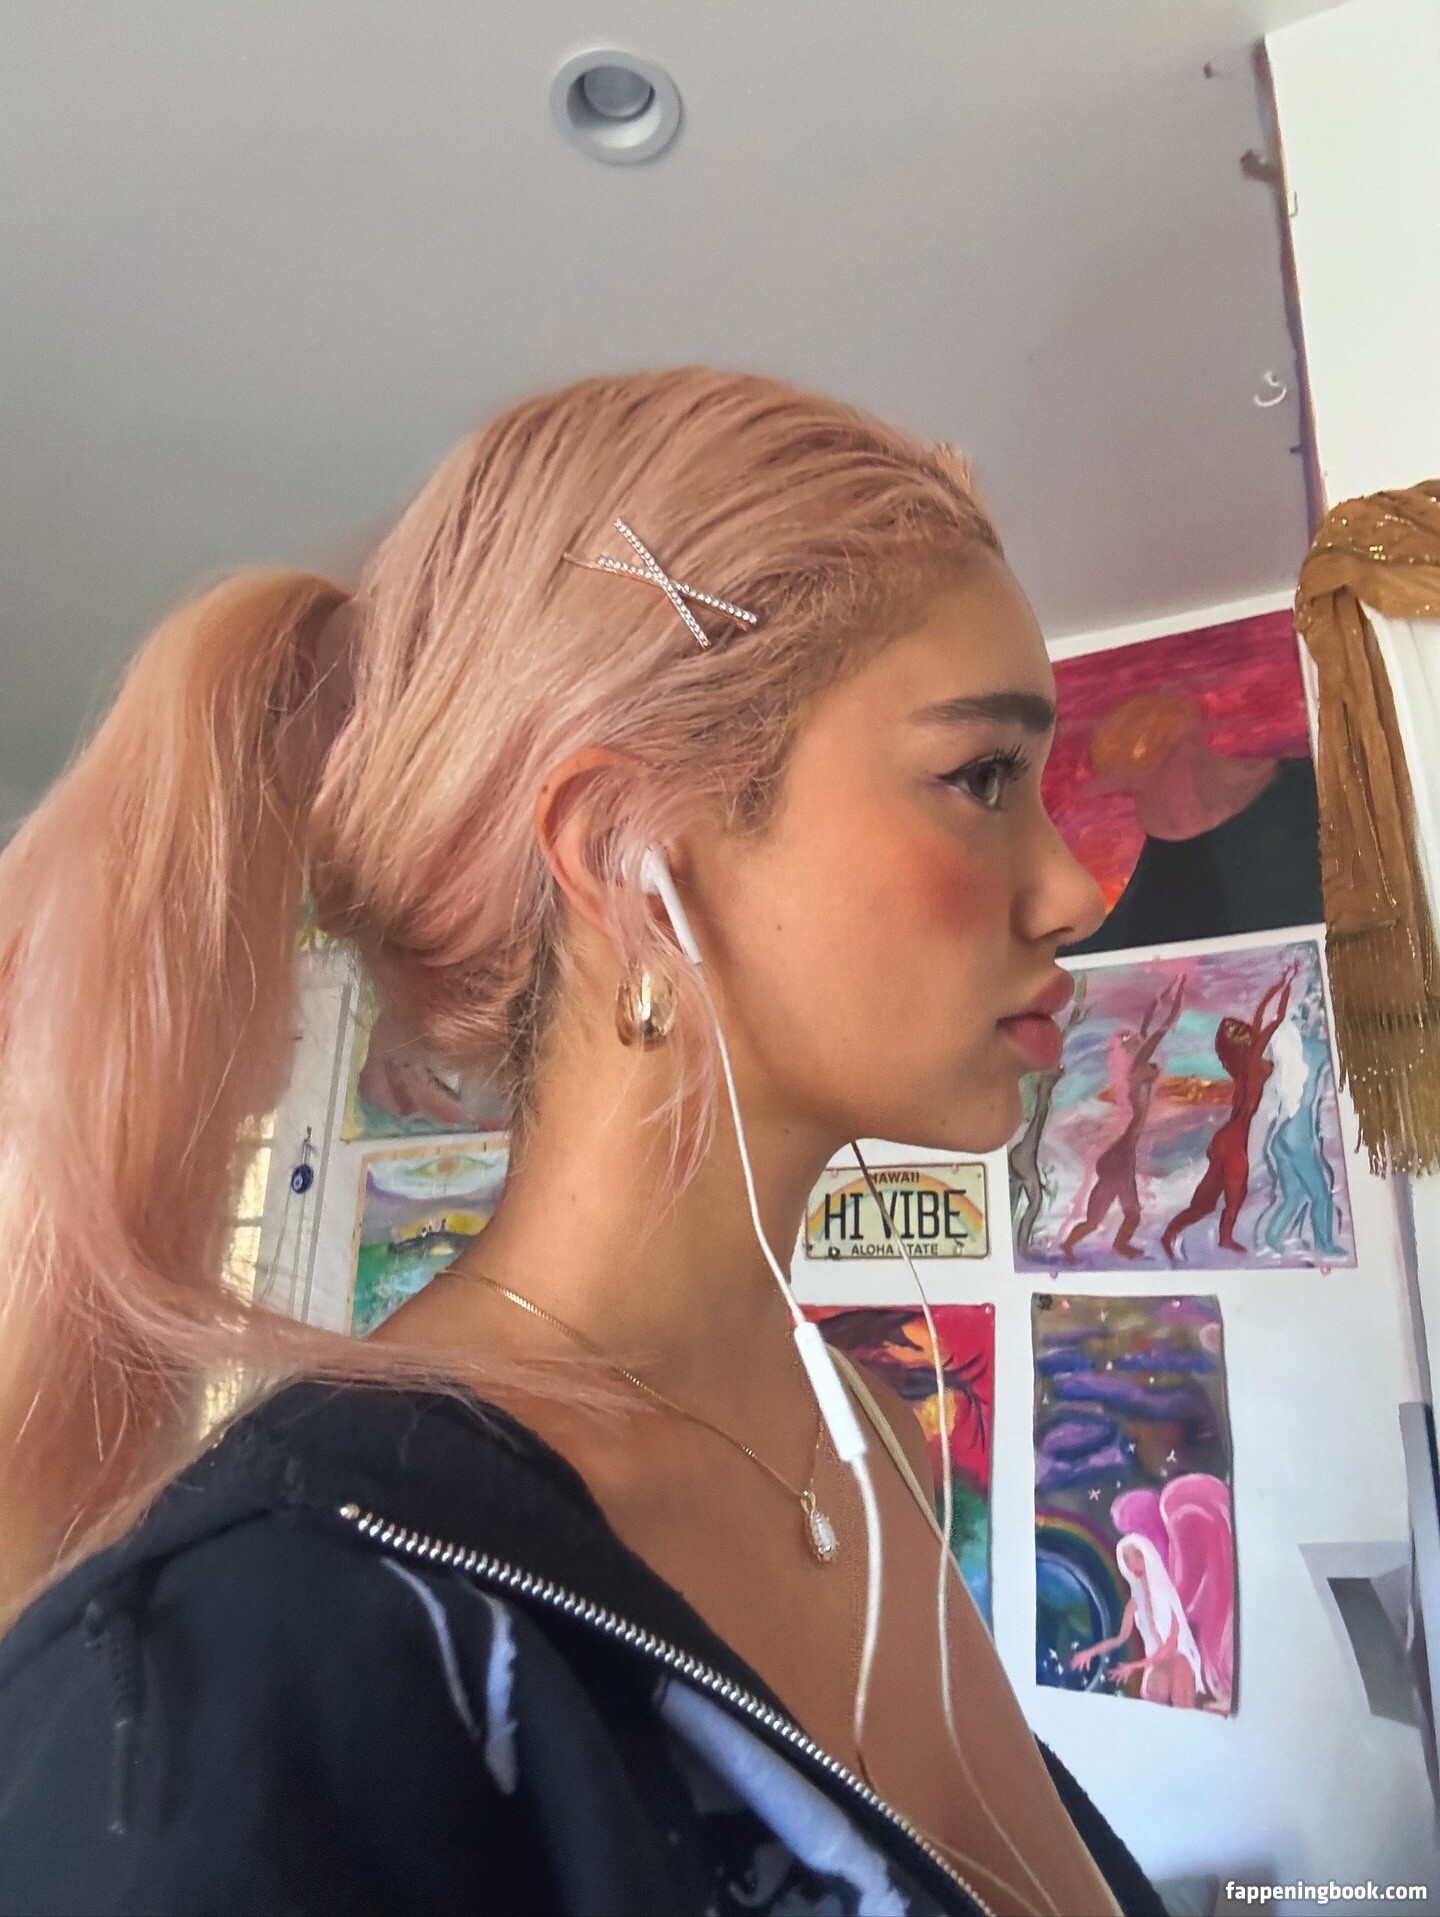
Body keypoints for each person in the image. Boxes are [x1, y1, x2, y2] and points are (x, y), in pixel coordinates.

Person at [0, 368, 1166, 1916]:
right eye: (982, 777)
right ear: (625, 851)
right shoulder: (254, 1656)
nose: (1075, 886)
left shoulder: (863, 1445)